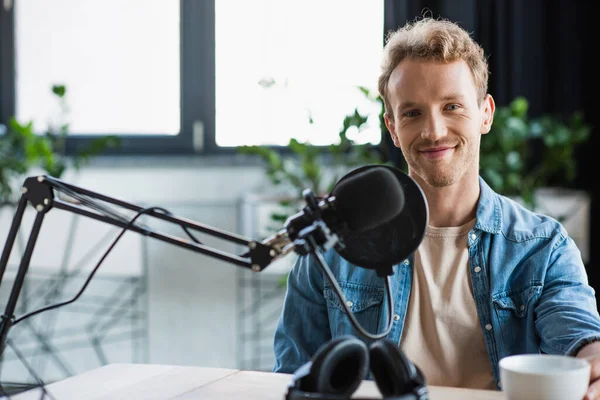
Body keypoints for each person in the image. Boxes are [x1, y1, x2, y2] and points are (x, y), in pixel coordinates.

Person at [272, 15, 600, 399]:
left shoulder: (543, 247)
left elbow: (578, 333)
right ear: (392, 127)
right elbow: (289, 378)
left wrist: (593, 357)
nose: (434, 131)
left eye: (452, 107)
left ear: (486, 114)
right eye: (412, 113)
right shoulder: (330, 250)